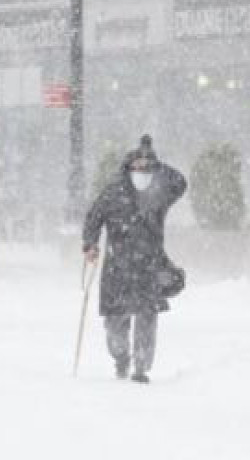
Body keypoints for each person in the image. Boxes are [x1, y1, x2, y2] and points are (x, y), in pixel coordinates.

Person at [82, 135, 186, 384]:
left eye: (147, 166)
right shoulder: (113, 192)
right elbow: (93, 217)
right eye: (137, 165)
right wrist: (91, 244)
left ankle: (141, 367)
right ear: (128, 167)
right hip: (117, 267)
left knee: (146, 319)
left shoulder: (159, 193)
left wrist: (155, 161)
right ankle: (121, 358)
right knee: (115, 323)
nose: (142, 170)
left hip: (149, 265)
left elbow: (180, 183)